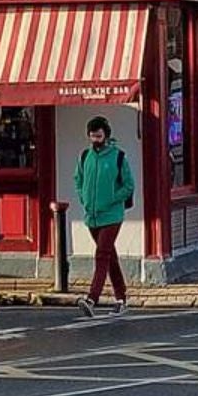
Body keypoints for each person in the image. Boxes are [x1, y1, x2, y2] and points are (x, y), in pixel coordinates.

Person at [72, 115, 134, 312]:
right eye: (92, 136)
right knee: (109, 257)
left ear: (106, 136)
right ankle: (121, 298)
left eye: (99, 136)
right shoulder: (85, 156)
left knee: (101, 255)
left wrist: (112, 198)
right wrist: (84, 198)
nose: (95, 140)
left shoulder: (118, 156)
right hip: (92, 215)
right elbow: (78, 180)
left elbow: (129, 185)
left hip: (112, 215)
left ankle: (92, 298)